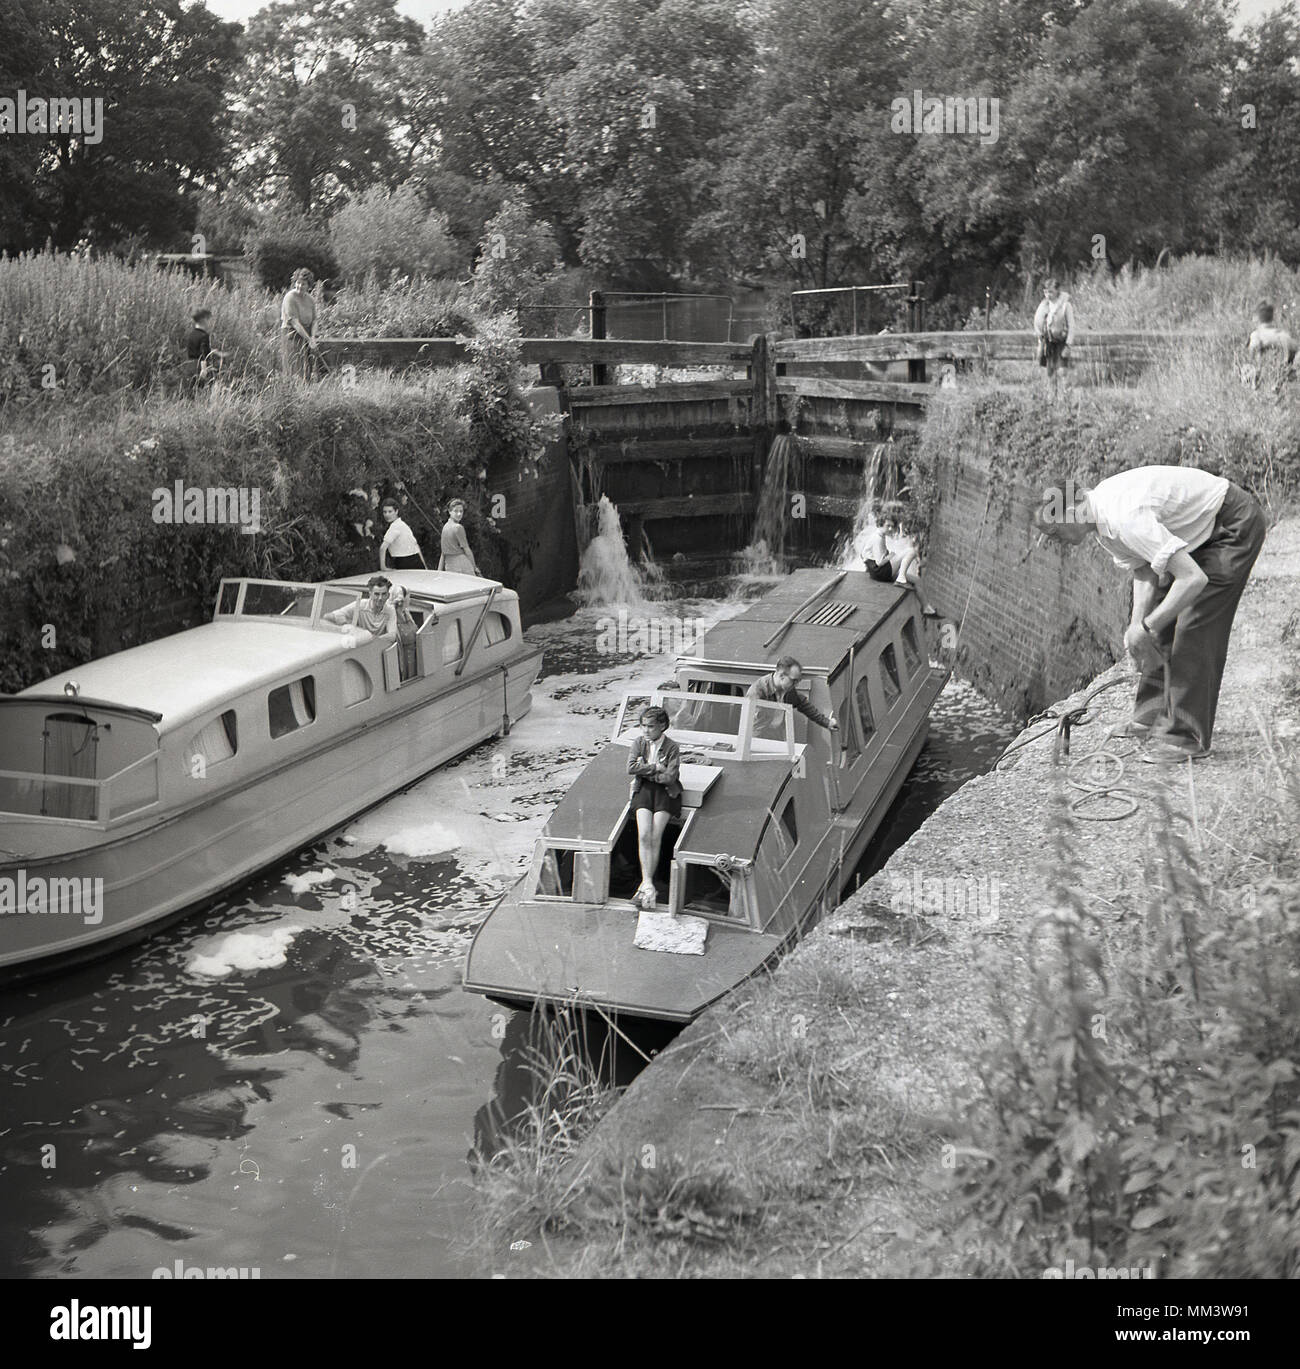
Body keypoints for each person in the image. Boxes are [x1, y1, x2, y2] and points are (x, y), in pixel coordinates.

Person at [1033, 465, 1266, 763]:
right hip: (1201, 534)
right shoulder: (1103, 523)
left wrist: (1148, 624)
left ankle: (1186, 737)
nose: (1054, 538)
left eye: (1054, 529)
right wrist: (1138, 627)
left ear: (1073, 508)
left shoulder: (1123, 517)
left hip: (1232, 526)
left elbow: (1193, 579)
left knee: (1194, 626)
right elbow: (1143, 569)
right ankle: (1150, 717)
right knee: (1158, 626)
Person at [626, 705, 682, 910]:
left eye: (650, 726)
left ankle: (646, 885)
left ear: (662, 726)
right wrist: (656, 767)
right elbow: (630, 767)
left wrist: (647, 771)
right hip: (644, 791)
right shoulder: (638, 743)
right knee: (643, 835)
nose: (646, 730)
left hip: (666, 792)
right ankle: (648, 882)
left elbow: (671, 777)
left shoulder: (672, 747)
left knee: (655, 836)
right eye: (643, 726)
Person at [747, 656, 838, 732]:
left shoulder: (788, 689)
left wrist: (827, 722)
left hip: (776, 737)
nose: (796, 684)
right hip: (757, 739)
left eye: (798, 681)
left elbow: (802, 704)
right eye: (794, 681)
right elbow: (752, 727)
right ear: (782, 676)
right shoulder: (757, 692)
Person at [1033, 278, 1074, 395]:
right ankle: (1051, 397)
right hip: (1048, 341)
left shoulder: (1066, 305)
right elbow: (1038, 322)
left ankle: (1067, 398)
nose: (1048, 295)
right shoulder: (1044, 306)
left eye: (1050, 292)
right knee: (1050, 371)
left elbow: (1072, 326)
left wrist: (1068, 345)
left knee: (1062, 371)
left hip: (1061, 341)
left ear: (1057, 291)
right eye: (1046, 292)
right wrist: (1040, 338)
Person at [324, 575, 397, 640]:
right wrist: (346, 625)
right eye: (377, 594)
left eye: (383, 594)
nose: (380, 598)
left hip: (378, 647)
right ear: (370, 594)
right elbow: (328, 616)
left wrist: (371, 640)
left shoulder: (390, 610)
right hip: (359, 646)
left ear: (388, 595)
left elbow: (392, 635)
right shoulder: (360, 605)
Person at [1245, 301, 1297, 385]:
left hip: (1264, 376)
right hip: (1285, 375)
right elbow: (1294, 349)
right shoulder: (1283, 334)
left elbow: (1252, 355)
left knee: (1246, 370)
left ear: (1257, 318)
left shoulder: (1256, 335)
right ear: (1272, 317)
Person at [280, 268, 318, 379]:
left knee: (308, 371)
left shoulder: (310, 300)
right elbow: (295, 323)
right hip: (292, 336)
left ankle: (307, 392)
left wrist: (313, 337)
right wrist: (309, 339)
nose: (300, 286)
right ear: (294, 283)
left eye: (304, 284)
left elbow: (315, 320)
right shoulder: (290, 298)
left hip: (306, 335)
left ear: (309, 286)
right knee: (296, 371)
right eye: (298, 283)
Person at [378, 496, 426, 570]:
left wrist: (383, 567)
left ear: (396, 511)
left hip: (405, 562)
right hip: (415, 561)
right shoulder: (402, 525)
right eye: (385, 512)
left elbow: (383, 548)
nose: (387, 515)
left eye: (390, 511)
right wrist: (424, 566)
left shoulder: (395, 526)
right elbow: (416, 546)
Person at [183, 308, 225, 389]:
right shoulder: (204, 335)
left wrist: (214, 351)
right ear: (204, 320)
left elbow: (196, 349)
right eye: (208, 319)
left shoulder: (192, 334)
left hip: (190, 365)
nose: (209, 322)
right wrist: (204, 368)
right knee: (201, 388)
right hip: (199, 366)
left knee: (191, 389)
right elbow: (203, 353)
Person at [438, 498, 479, 575]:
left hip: (449, 565)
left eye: (461, 511)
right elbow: (467, 550)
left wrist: (439, 571)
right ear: (450, 511)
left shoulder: (445, 527)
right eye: (456, 511)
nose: (459, 514)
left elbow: (443, 553)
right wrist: (474, 567)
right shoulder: (458, 527)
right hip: (462, 564)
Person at [390, 585, 419, 680]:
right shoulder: (392, 618)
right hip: (403, 658)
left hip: (413, 656)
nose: (410, 599)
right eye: (408, 596)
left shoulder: (406, 613)